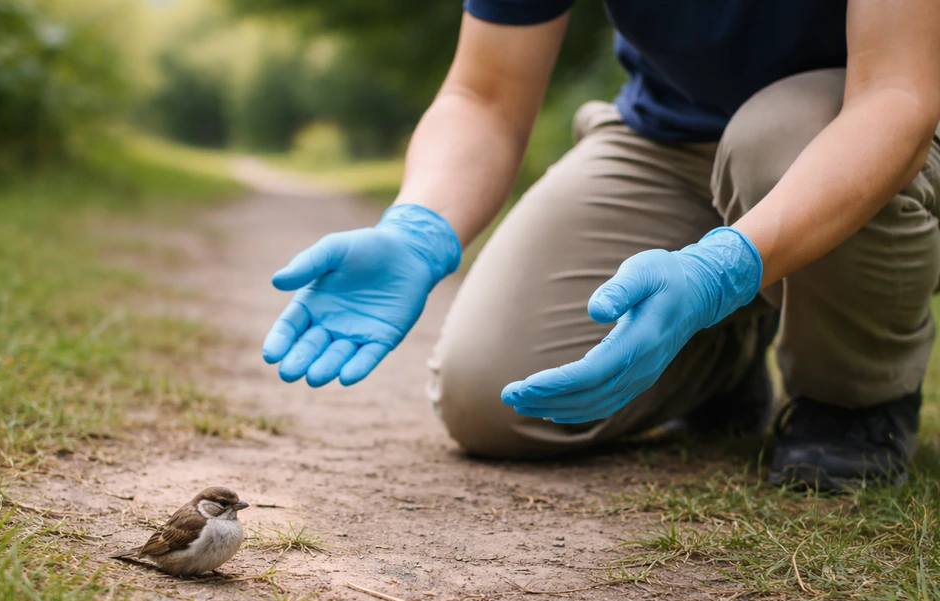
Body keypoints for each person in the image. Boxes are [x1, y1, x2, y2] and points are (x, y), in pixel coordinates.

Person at [261, 1, 940, 491]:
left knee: (774, 141)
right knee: (488, 399)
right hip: (668, 142)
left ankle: (854, 397)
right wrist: (418, 225)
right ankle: (720, 355)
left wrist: (720, 267)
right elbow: (486, 93)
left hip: (876, 131)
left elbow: (896, 97)